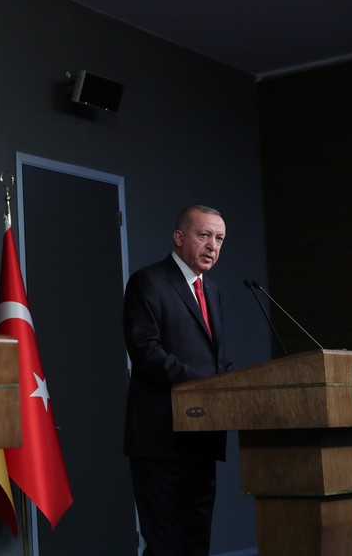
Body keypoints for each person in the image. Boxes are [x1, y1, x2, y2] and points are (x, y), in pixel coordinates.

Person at [122, 205, 235, 556]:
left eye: (219, 239)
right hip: (161, 439)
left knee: (196, 541)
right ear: (179, 238)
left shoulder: (212, 290)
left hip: (203, 436)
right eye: (204, 235)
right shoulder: (148, 281)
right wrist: (206, 386)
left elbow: (216, 358)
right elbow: (145, 350)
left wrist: (230, 385)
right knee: (166, 544)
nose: (212, 246)